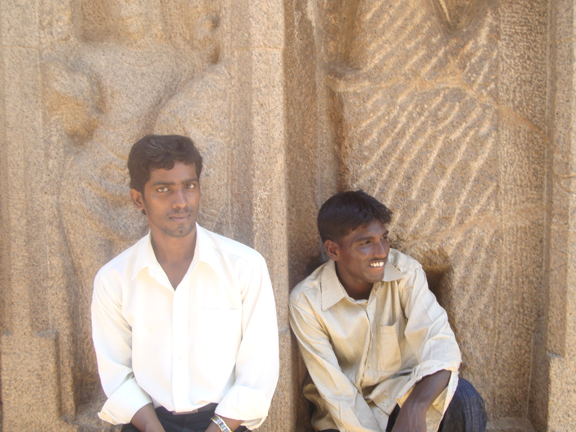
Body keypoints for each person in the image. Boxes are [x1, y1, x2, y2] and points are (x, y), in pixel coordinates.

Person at [91, 135, 279, 432]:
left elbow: (258, 372)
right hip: (148, 424)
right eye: (163, 189)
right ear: (138, 199)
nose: (180, 201)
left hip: (224, 424)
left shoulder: (245, 267)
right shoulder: (114, 279)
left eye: (189, 186)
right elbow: (117, 373)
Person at [289, 191, 487, 432]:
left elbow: (441, 344)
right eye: (366, 243)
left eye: (383, 238)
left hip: (401, 398)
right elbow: (337, 393)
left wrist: (416, 406)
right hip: (344, 419)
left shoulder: (405, 272)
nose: (381, 251)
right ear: (333, 250)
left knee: (464, 398)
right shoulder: (307, 302)